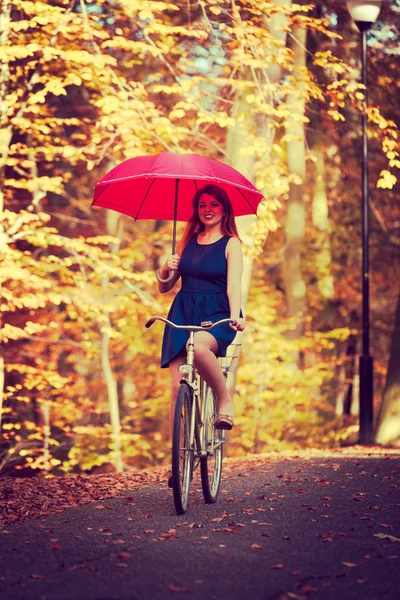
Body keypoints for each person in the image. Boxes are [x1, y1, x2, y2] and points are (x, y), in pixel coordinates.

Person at [156, 184, 246, 444]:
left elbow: (233, 286)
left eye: (214, 204)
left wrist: (235, 316)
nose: (208, 209)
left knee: (199, 345)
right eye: (202, 205)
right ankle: (179, 456)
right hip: (183, 313)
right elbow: (165, 288)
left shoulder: (232, 244)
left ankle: (224, 400)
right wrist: (165, 268)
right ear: (197, 210)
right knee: (176, 387)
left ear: (224, 209)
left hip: (218, 313)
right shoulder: (186, 243)